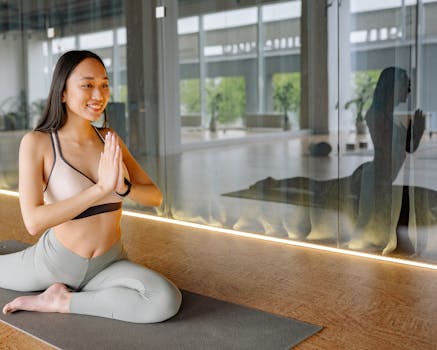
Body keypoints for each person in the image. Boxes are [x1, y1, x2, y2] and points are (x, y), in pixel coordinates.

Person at [0, 50, 182, 323]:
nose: (99, 95)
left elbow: (155, 197)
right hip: (53, 263)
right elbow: (33, 221)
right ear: (62, 92)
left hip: (108, 263)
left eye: (104, 85)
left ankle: (61, 301)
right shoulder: (37, 143)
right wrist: (100, 189)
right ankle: (62, 292)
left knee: (165, 299)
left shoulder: (109, 139)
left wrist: (123, 188)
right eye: (87, 85)